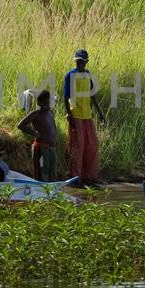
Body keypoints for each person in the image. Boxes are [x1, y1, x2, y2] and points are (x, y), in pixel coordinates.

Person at [63, 49, 102, 186]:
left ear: (86, 62)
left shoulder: (88, 74)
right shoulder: (70, 75)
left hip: (87, 114)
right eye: (77, 61)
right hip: (76, 114)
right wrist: (70, 114)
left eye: (82, 62)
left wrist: (100, 113)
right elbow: (66, 97)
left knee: (92, 145)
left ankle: (89, 176)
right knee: (77, 146)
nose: (79, 63)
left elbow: (92, 95)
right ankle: (76, 178)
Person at [17, 89, 59, 181]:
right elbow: (21, 125)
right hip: (41, 148)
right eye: (45, 103)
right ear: (40, 103)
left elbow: (53, 127)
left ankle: (52, 192)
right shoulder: (36, 113)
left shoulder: (50, 113)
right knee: (41, 173)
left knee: (52, 173)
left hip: (51, 148)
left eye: (48, 103)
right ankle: (40, 192)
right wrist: (35, 134)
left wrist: (55, 138)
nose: (47, 105)